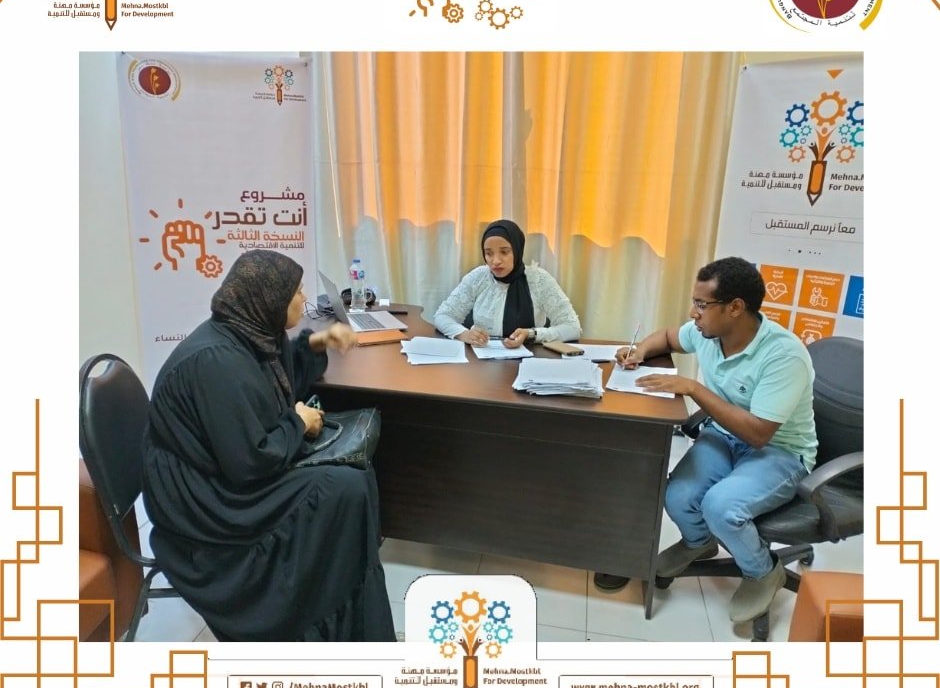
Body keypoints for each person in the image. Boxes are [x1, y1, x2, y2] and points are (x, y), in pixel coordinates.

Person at [141, 250, 397, 641]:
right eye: (297, 292)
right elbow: (250, 462)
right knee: (345, 487)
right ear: (270, 300)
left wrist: (316, 343)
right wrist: (298, 422)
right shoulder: (217, 362)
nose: (303, 299)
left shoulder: (247, 333)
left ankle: (349, 612)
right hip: (205, 501)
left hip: (220, 472)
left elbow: (278, 375)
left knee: (354, 479)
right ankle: (325, 614)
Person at [593, 257, 817, 624]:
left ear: (735, 308)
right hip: (725, 436)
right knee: (677, 495)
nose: (692, 313)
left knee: (720, 506)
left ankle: (763, 571)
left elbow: (759, 434)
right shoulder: (707, 331)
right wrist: (640, 351)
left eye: (701, 304)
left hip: (779, 451)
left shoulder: (784, 355)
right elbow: (668, 336)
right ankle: (699, 543)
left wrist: (694, 389)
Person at [433, 219, 582, 348]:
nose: (495, 261)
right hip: (481, 360)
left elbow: (572, 327)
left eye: (504, 252)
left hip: (529, 360)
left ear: (517, 250)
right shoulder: (478, 277)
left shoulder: (538, 279)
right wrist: (463, 334)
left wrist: (531, 334)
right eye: (489, 253)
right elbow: (442, 316)